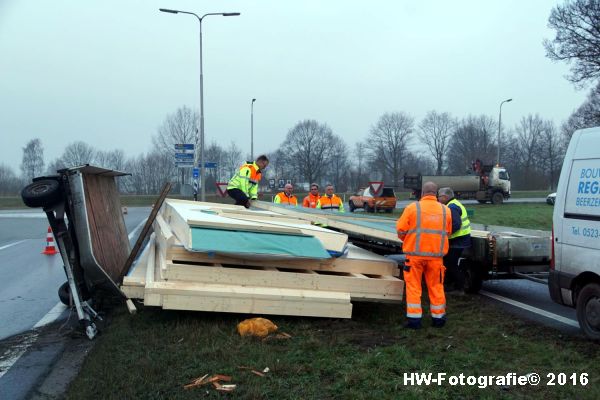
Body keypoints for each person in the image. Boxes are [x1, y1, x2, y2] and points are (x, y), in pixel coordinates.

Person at [396, 181, 452, 329]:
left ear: (422, 193)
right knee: (436, 287)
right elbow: (448, 232)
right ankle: (438, 319)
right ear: (436, 193)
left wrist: (408, 239)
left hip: (414, 257)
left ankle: (414, 321)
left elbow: (401, 230)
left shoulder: (412, 208)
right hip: (436, 258)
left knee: (414, 287)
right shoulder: (446, 210)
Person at [437, 187, 472, 292]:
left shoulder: (452, 207)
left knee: (451, 264)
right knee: (449, 263)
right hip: (459, 240)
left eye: (439, 196)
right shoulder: (453, 204)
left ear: (445, 197)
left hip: (458, 241)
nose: (438, 199)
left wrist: (445, 235)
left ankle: (459, 287)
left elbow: (456, 224)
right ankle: (452, 285)